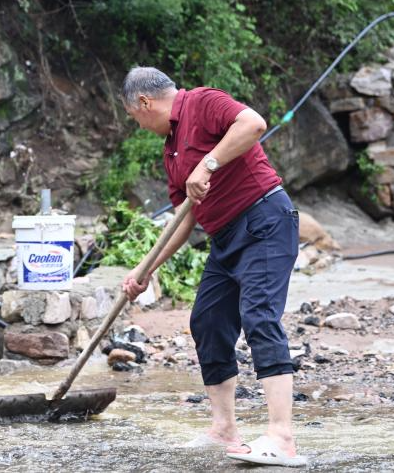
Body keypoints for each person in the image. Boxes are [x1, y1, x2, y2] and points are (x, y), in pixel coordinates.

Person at [120, 66, 306, 468]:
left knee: (259, 316)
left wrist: (208, 164)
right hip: (225, 238)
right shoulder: (171, 151)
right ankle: (224, 429)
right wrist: (145, 268)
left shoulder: (202, 102)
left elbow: (253, 124)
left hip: (264, 222)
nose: (139, 125)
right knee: (207, 321)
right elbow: (183, 220)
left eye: (134, 117)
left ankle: (282, 437)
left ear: (145, 102)